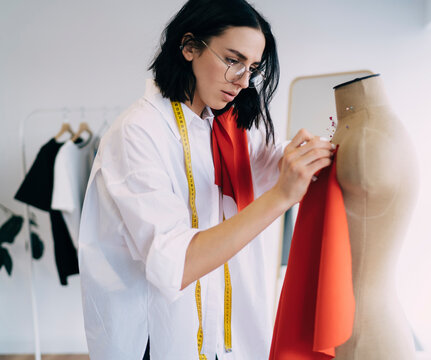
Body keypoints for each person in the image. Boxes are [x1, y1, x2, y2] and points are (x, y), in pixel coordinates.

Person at [77, 0, 333, 359]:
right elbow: (176, 265)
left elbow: (274, 159)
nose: (244, 81)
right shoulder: (137, 133)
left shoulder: (222, 126)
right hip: (154, 338)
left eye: (252, 68)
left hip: (215, 334)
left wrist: (319, 152)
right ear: (189, 47)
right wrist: (280, 197)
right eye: (232, 60)